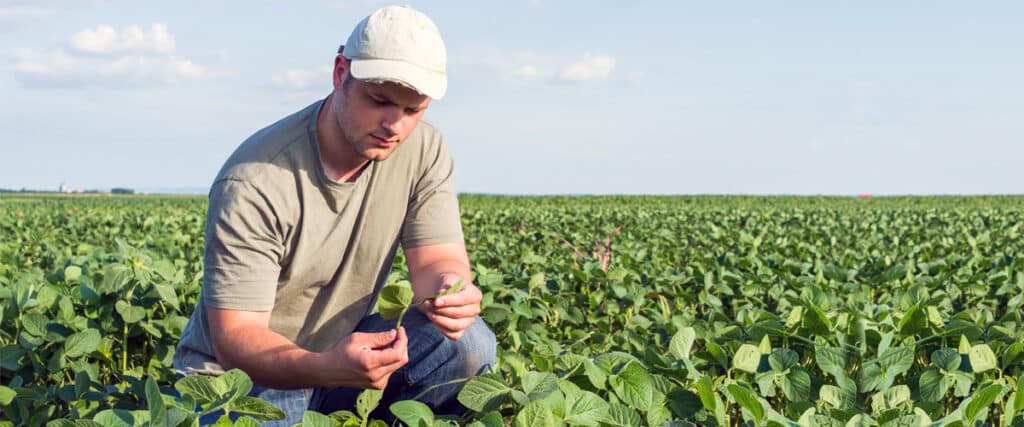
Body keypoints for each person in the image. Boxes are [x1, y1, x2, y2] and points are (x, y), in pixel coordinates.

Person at [173, 5, 496, 425]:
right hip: (244, 379)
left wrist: (449, 291)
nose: (394, 125)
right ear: (340, 72)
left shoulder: (425, 150)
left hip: (345, 357)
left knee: (467, 343)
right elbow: (236, 338)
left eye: (414, 109)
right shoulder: (255, 180)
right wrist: (326, 366)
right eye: (379, 100)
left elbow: (437, 262)